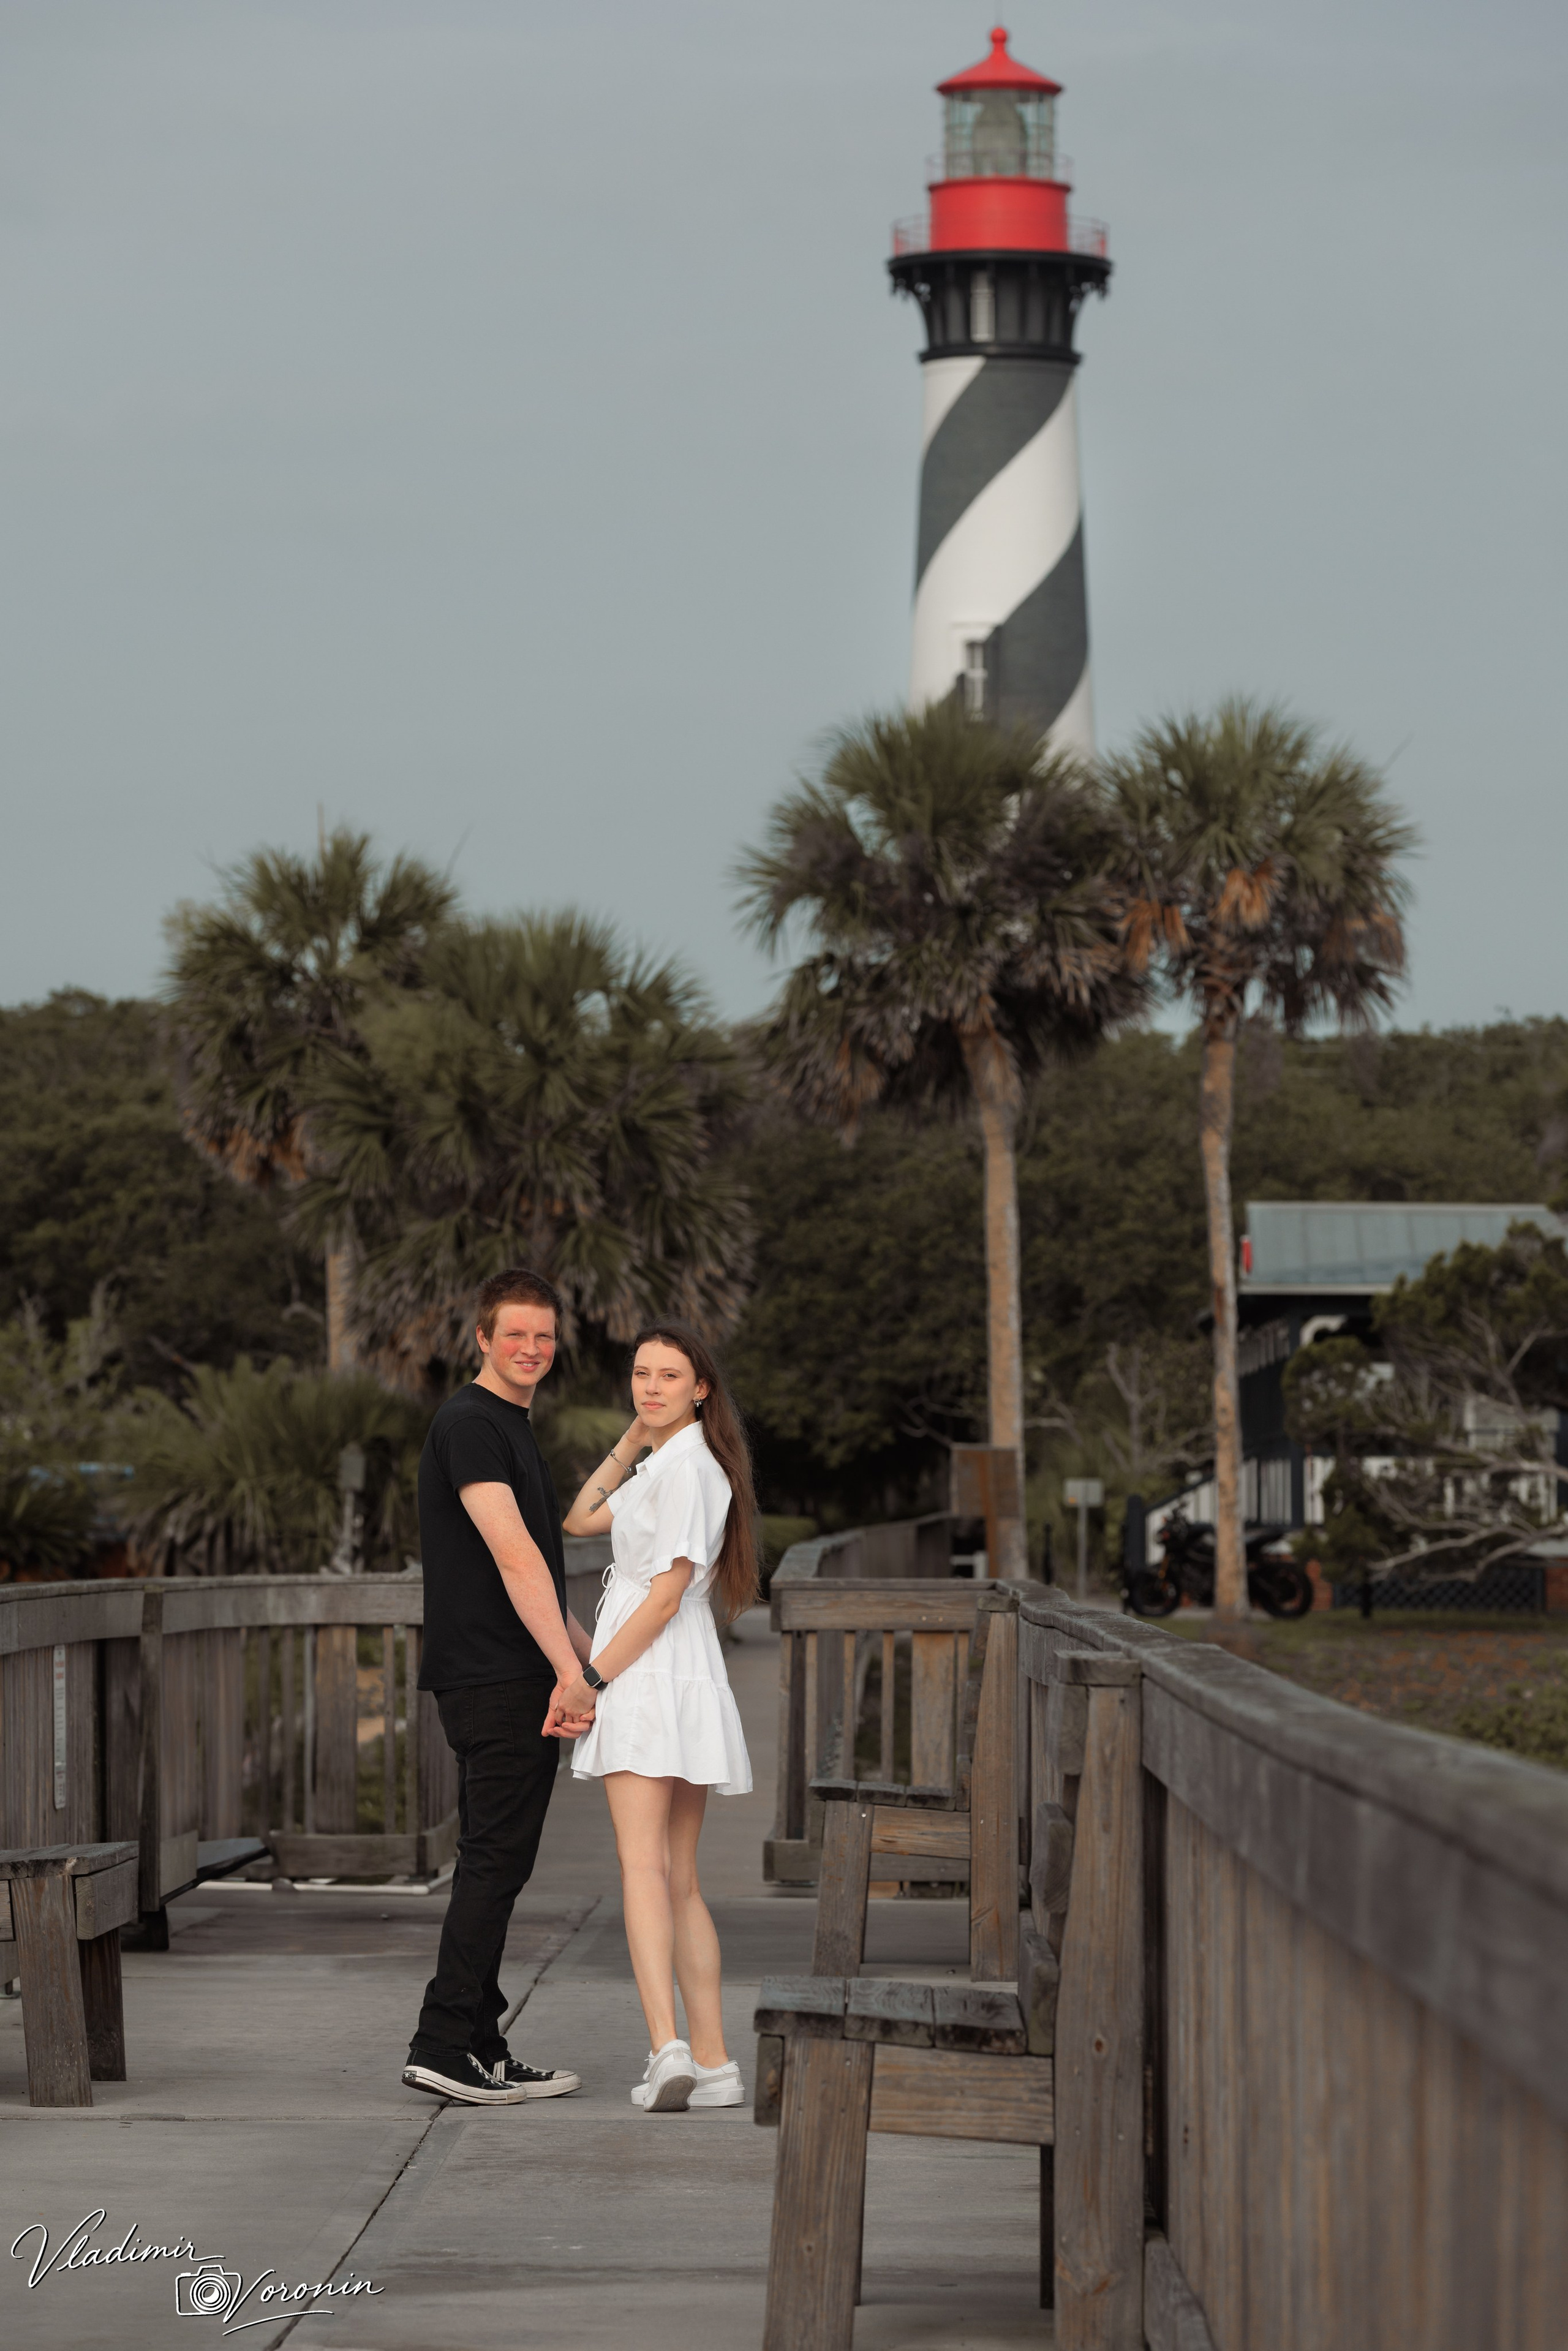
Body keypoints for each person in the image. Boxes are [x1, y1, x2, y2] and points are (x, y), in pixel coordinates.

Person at [549, 1321, 757, 2115]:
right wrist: (633, 1437)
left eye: (669, 1376)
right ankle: (715, 2063)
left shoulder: (690, 1469)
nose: (652, 1386)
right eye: (642, 1374)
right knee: (678, 1879)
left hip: (648, 1668)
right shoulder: (672, 1462)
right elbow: (580, 1517)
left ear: (701, 1388)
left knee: (645, 1869)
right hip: (677, 1669)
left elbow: (665, 1596)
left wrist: (590, 1679)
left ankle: (667, 2048)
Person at [402, 1267, 593, 2107]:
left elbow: (540, 1571)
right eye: (514, 1332)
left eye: (544, 1335)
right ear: (482, 1338)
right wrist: (568, 1674)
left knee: (495, 1862)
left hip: (507, 1673)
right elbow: (515, 1558)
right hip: (497, 1677)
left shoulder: (505, 1425)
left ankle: (482, 2045)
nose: (531, 1347)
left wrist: (590, 1662)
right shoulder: (473, 1424)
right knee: (493, 1864)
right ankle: (442, 2041)